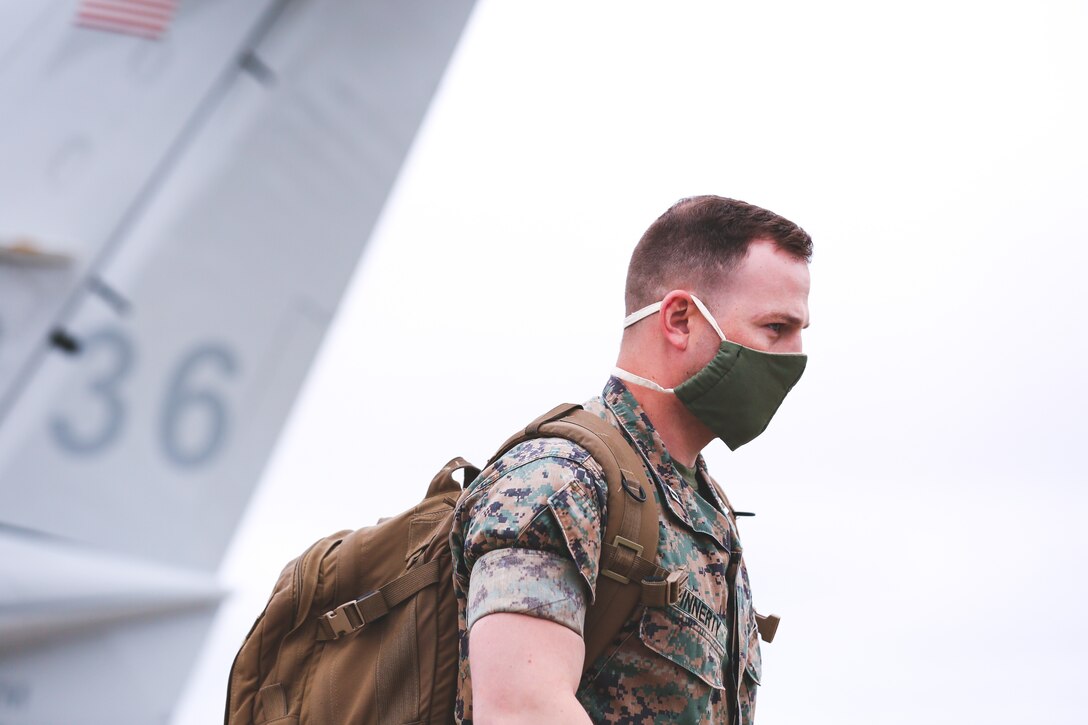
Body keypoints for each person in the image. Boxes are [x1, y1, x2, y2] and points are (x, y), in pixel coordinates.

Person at [450, 195, 812, 724]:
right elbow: (521, 712)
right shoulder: (560, 482)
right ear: (681, 320)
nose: (795, 357)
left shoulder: (706, 517)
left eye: (801, 332)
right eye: (776, 329)